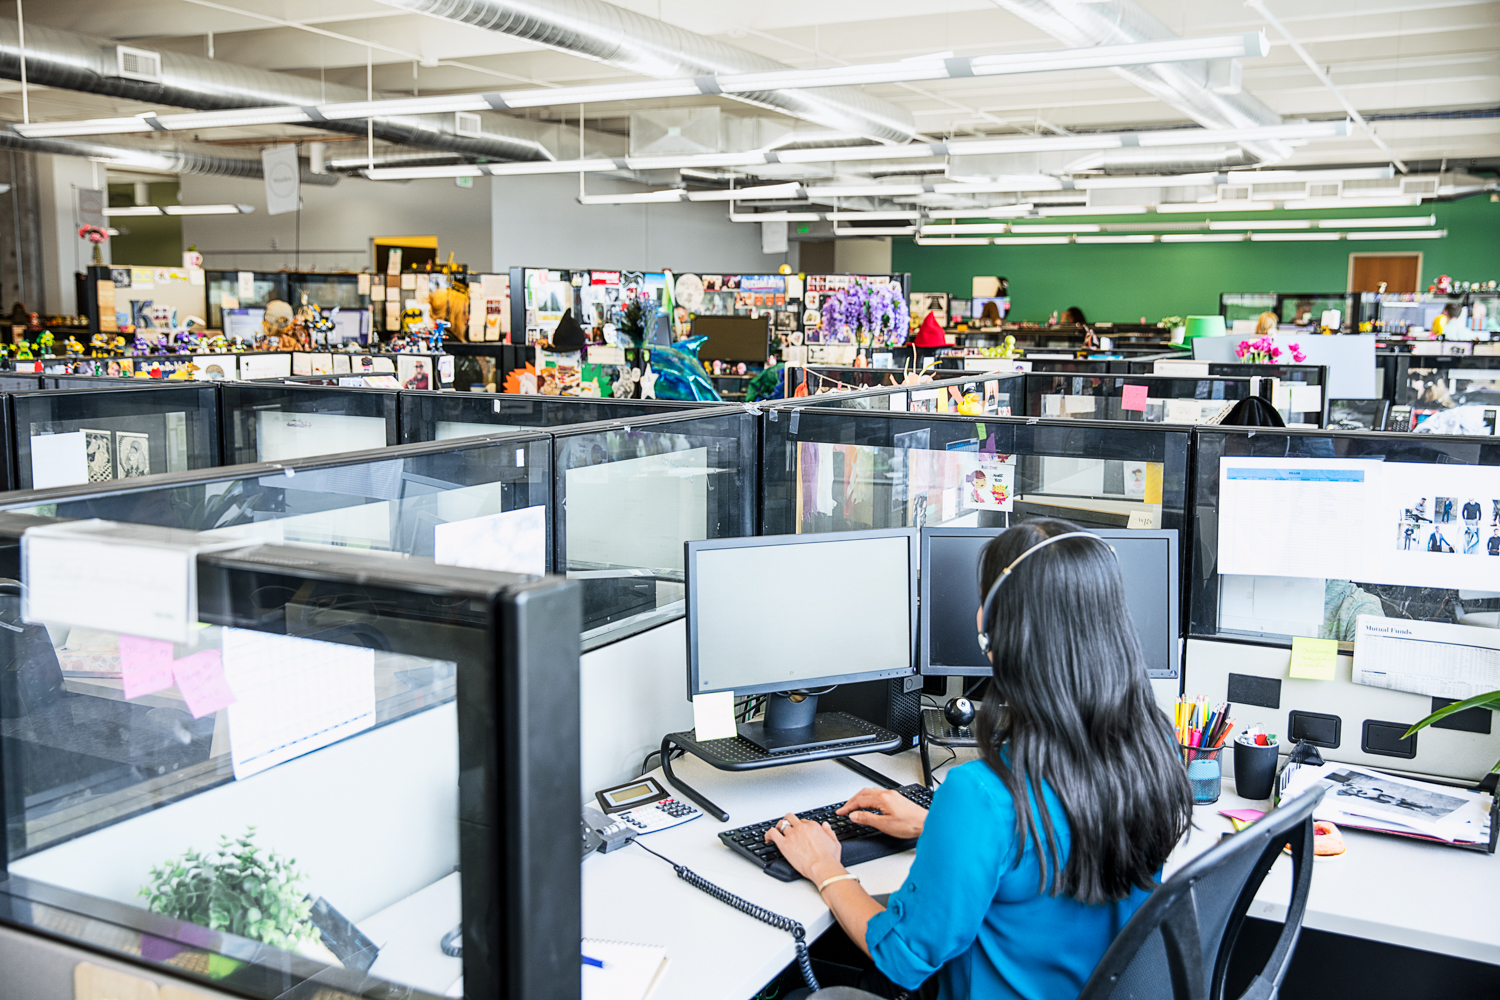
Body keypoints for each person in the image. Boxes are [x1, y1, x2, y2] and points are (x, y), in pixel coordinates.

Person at [767, 519, 1193, 1000]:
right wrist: (937, 827)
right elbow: (1045, 860)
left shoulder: (984, 794)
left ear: (990, 630)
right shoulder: (1151, 756)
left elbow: (905, 956)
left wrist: (826, 869)